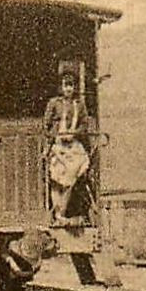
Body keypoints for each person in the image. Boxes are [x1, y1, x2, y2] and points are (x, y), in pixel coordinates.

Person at [44, 70, 93, 223]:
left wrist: (75, 133)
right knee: (56, 180)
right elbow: (46, 124)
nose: (68, 89)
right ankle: (57, 214)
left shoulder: (79, 104)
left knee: (71, 176)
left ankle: (62, 212)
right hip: (58, 146)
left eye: (71, 86)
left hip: (73, 146)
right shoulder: (54, 103)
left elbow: (85, 124)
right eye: (66, 86)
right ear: (61, 87)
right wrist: (53, 137)